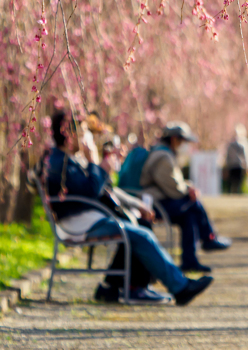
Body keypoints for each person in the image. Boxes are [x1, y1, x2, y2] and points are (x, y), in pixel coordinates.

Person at [40, 111, 213, 306]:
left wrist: (134, 202)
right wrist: (99, 165)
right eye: (82, 132)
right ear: (69, 134)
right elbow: (89, 192)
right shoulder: (59, 162)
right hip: (79, 223)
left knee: (142, 225)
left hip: (91, 217)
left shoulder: (69, 158)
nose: (86, 138)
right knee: (141, 235)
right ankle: (179, 287)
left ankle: (118, 287)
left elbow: (102, 190)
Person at [140, 121, 231, 272]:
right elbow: (174, 189)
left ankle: (190, 261)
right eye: (183, 141)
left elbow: (175, 184)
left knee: (188, 216)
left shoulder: (164, 154)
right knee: (193, 203)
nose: (185, 145)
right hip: (154, 205)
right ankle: (209, 237)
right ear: (174, 139)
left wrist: (187, 187)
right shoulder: (163, 157)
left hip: (157, 202)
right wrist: (189, 190)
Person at [224, 124, 248, 194]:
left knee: (234, 183)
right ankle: (237, 193)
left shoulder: (231, 143)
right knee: (239, 183)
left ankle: (234, 193)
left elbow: (228, 156)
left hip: (232, 165)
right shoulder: (246, 143)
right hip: (241, 165)